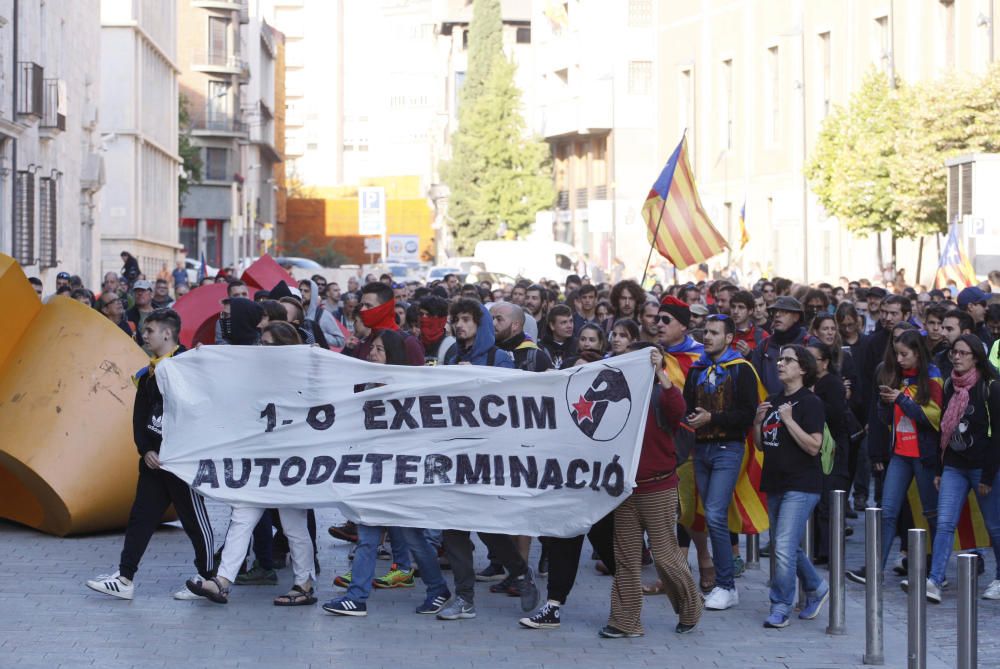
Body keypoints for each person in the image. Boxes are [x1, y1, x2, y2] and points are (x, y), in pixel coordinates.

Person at [322, 329, 454, 617]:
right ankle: (356, 597)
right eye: (373, 348)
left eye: (379, 350)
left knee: (413, 539)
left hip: (400, 478)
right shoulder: (367, 387)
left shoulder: (407, 392)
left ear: (392, 356)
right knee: (368, 534)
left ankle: (437, 589)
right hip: (374, 475)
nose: (372, 354)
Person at [86, 309, 215, 601]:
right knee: (140, 518)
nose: (144, 336)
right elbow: (139, 416)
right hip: (154, 462)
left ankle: (209, 579)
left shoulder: (190, 364)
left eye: (150, 330)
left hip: (182, 462)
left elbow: (202, 411)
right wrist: (145, 449)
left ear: (167, 333)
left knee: (195, 520)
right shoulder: (148, 372)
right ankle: (124, 578)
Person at [436, 299, 540, 621]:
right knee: (454, 530)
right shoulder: (452, 355)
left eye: (468, 320)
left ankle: (520, 572)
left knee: (487, 526)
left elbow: (509, 399)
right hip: (456, 455)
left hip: (487, 456)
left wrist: (478, 378)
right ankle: (464, 597)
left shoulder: (499, 358)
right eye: (458, 320)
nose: (462, 325)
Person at [599, 345, 703, 638]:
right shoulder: (614, 401)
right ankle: (625, 621)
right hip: (626, 491)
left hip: (658, 487)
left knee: (665, 556)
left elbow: (677, 409)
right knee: (626, 559)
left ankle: (690, 609)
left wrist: (661, 372)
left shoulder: (660, 394)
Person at [847, 330, 943, 585]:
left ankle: (937, 570)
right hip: (900, 454)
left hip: (924, 456)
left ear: (918, 353)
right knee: (888, 512)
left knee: (931, 513)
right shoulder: (896, 376)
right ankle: (874, 567)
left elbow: (932, 418)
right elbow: (886, 420)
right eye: (896, 354)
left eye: (904, 354)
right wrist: (885, 402)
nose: (899, 359)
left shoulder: (933, 377)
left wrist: (901, 398)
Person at [683, 314, 761, 611]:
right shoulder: (696, 369)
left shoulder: (742, 370)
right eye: (706, 331)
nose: (707, 337)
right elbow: (688, 405)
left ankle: (726, 585)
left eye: (714, 333)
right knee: (709, 512)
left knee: (715, 513)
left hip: (728, 448)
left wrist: (712, 418)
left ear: (729, 338)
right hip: (701, 449)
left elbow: (746, 413)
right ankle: (724, 584)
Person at [752, 344, 829, 628]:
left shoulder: (810, 402)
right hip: (775, 481)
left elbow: (814, 446)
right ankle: (817, 587)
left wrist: (788, 420)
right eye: (780, 359)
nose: (780, 364)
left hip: (802, 483)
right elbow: (762, 445)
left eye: (788, 360)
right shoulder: (772, 401)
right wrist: (759, 422)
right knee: (784, 545)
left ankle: (781, 605)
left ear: (803, 368)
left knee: (783, 545)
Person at [919, 334, 1000, 602]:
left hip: (983, 467)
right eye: (954, 352)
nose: (956, 356)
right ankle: (934, 579)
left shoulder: (991, 387)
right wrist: (941, 470)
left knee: (994, 525)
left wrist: (988, 476)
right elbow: (945, 428)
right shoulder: (950, 385)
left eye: (963, 353)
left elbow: (997, 435)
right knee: (945, 523)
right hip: (954, 464)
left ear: (975, 357)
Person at [752, 296, 809, 395]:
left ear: (796, 317)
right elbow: (755, 380)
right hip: (770, 406)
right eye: (775, 312)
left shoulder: (808, 344)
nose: (777, 315)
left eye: (784, 312)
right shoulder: (764, 346)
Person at [539, 304, 578, 369]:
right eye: (564, 322)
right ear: (552, 325)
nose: (569, 326)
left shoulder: (578, 346)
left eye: (571, 321)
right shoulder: (541, 348)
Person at [127, 280, 156, 349]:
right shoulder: (128, 315)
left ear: (151, 294)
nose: (139, 293)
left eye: (143, 290)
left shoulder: (162, 313)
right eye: (136, 291)